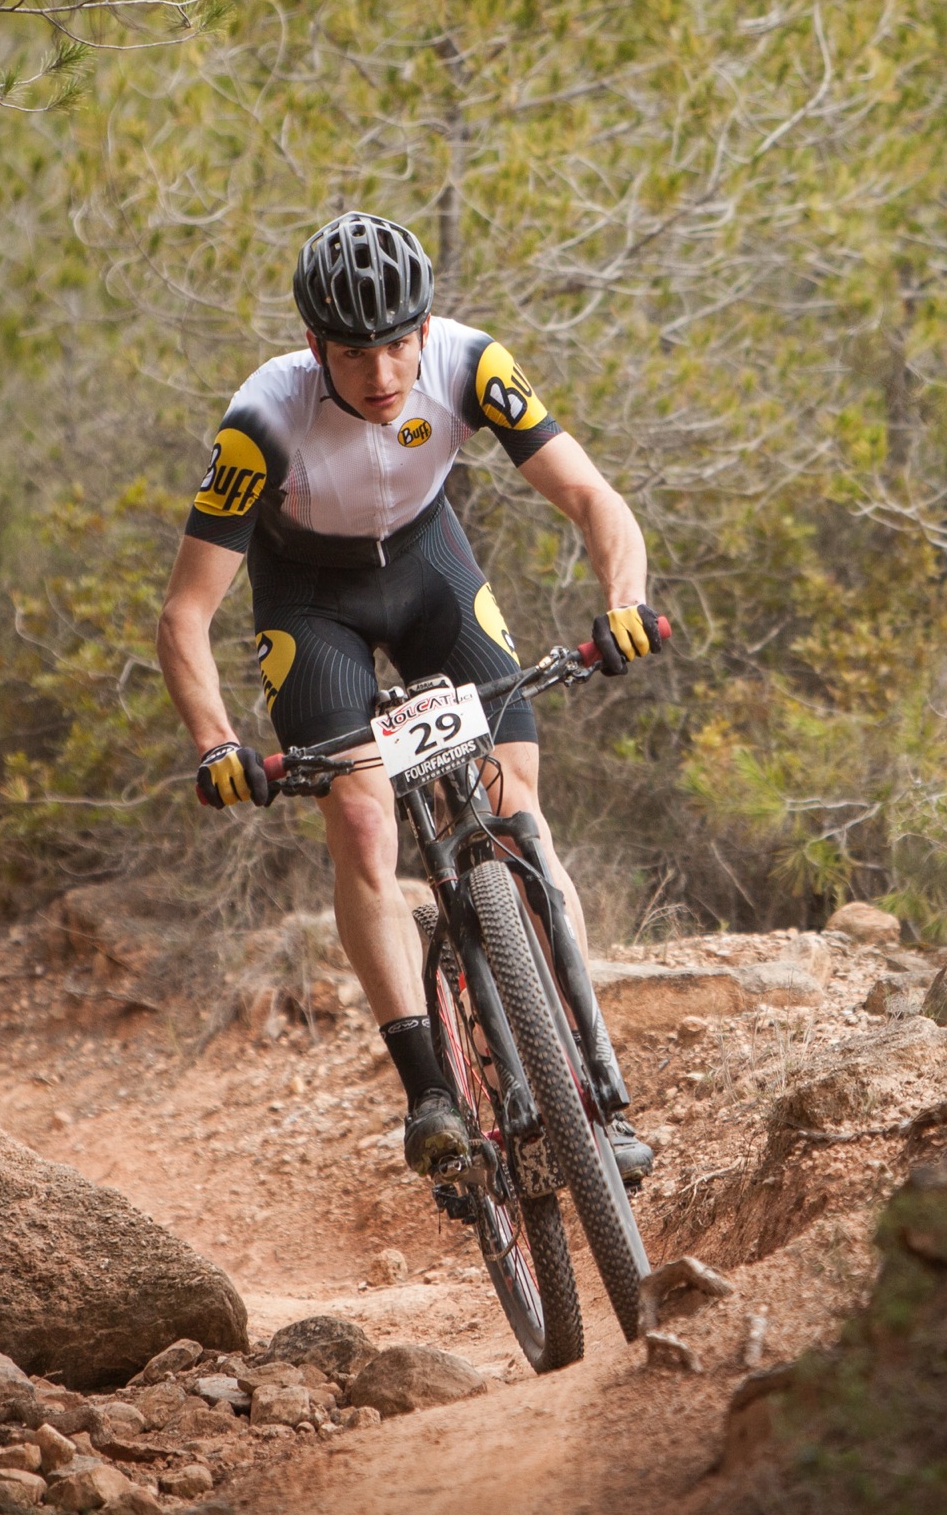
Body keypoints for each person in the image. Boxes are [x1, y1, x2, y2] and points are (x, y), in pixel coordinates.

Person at [155, 210, 662, 1184]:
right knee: (358, 814)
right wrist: (216, 740)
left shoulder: (471, 365)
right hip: (313, 606)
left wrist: (624, 600)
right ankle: (428, 1084)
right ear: (313, 345)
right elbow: (184, 613)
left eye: (397, 344)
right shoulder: (261, 421)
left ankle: (594, 1095)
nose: (382, 375)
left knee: (516, 811)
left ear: (424, 329)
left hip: (430, 573)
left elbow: (594, 499)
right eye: (352, 352)